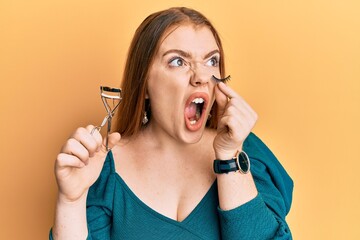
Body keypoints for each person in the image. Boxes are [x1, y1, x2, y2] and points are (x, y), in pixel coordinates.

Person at [50, 7, 293, 240]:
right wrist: (71, 200)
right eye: (178, 61)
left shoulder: (246, 156)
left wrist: (229, 158)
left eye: (211, 61)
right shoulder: (102, 168)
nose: (201, 77)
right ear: (144, 83)